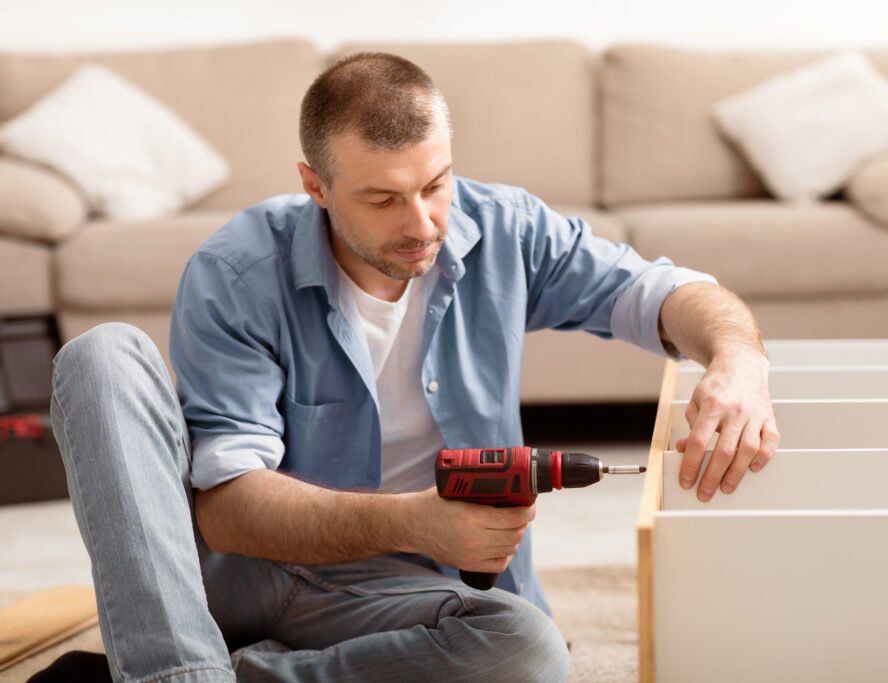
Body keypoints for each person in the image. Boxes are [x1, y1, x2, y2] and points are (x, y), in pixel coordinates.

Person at [43, 52, 778, 682]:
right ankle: (179, 666)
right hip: (246, 576)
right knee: (101, 355)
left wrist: (738, 359)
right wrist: (416, 522)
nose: (423, 223)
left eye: (435, 185)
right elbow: (229, 511)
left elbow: (661, 291)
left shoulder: (507, 231)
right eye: (383, 199)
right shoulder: (238, 272)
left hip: (402, 593)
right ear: (316, 187)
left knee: (527, 651)